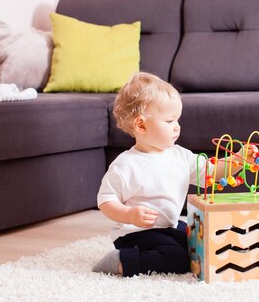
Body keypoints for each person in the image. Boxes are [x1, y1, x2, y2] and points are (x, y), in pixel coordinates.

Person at [92, 71, 241, 276]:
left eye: (178, 120)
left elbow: (211, 172)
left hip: (168, 226)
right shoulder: (126, 164)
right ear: (141, 124)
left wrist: (238, 161)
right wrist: (129, 214)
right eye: (170, 121)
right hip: (135, 234)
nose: (177, 127)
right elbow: (106, 200)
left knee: (198, 242)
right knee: (177, 259)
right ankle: (122, 262)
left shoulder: (180, 155)